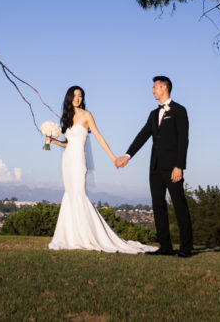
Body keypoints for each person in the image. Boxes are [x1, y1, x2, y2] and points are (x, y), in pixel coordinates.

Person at [45, 85, 157, 254]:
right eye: (75, 95)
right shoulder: (66, 117)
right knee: (69, 194)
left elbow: (98, 136)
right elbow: (68, 143)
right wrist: (53, 141)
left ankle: (87, 235)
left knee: (79, 194)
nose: (77, 98)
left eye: (80, 96)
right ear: (69, 98)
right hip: (67, 160)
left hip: (78, 160)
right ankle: (70, 236)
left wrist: (113, 158)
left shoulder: (86, 115)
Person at [115, 75, 193, 257]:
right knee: (158, 206)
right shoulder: (152, 114)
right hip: (155, 167)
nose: (152, 91)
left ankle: (186, 248)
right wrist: (127, 156)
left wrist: (179, 166)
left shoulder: (180, 111)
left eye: (154, 88)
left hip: (173, 167)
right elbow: (142, 136)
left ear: (164, 88)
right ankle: (165, 247)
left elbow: (184, 140)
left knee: (180, 206)